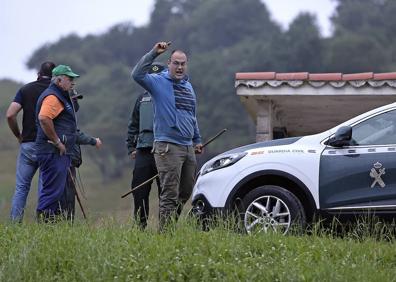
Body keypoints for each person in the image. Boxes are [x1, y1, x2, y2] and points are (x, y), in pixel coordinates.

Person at [132, 41, 203, 229]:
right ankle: (166, 234)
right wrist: (154, 52)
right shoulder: (158, 82)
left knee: (186, 191)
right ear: (169, 63)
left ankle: (169, 224)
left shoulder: (188, 87)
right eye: (176, 63)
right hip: (168, 146)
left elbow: (191, 115)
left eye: (183, 63)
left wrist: (197, 140)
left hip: (188, 147)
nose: (179, 67)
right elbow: (137, 74)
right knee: (169, 193)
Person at [6, 61, 56, 222]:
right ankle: (42, 224)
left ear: (38, 74)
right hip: (47, 145)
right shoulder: (55, 92)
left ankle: (14, 225)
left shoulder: (25, 89)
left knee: (21, 188)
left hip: (27, 144)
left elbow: (10, 114)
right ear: (55, 76)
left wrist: (18, 135)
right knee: (44, 189)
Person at [35, 64, 79, 221]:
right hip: (52, 151)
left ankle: (50, 225)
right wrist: (57, 142)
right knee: (52, 191)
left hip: (54, 152)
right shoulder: (53, 97)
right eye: (69, 79)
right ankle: (45, 226)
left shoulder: (59, 95)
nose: (73, 82)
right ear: (59, 80)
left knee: (56, 190)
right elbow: (44, 118)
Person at [126, 63, 165, 228]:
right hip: (144, 150)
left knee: (166, 191)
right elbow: (133, 124)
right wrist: (131, 147)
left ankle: (166, 227)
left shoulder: (171, 95)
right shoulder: (142, 98)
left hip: (165, 150)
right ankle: (140, 227)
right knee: (139, 190)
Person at [64, 93, 102, 220]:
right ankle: (66, 224)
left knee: (68, 193)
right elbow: (75, 135)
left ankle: (66, 223)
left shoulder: (69, 114)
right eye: (73, 100)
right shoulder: (64, 114)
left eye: (76, 100)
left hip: (69, 159)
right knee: (67, 193)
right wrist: (93, 141)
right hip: (65, 159)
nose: (76, 104)